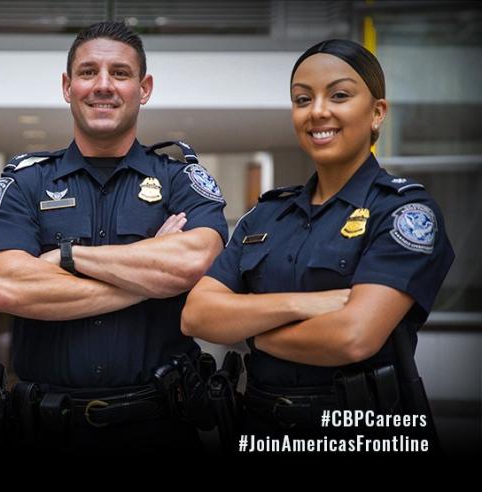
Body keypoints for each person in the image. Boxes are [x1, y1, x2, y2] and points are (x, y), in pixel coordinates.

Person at [182, 40, 454, 444]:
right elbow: (197, 315)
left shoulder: (403, 213)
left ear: (377, 113)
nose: (318, 111)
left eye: (339, 95)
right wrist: (304, 304)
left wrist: (251, 334)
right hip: (260, 428)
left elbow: (352, 337)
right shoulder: (266, 215)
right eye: (302, 99)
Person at [0, 21, 228, 453]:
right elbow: (7, 285)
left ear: (144, 88)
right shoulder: (26, 182)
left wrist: (65, 257)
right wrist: (150, 272)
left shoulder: (180, 179)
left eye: (121, 73)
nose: (103, 86)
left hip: (159, 428)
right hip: (46, 432)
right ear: (67, 86)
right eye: (89, 72)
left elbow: (195, 263)